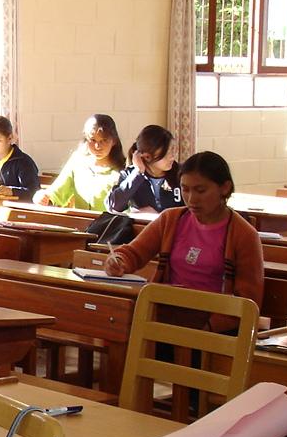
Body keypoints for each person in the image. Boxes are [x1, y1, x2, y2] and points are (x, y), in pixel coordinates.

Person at [104, 151, 264, 332]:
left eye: (200, 190)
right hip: (165, 315)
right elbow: (134, 252)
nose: (192, 199)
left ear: (225, 188)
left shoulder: (243, 234)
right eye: (185, 189)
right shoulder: (171, 219)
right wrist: (118, 261)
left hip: (213, 327)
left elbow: (247, 302)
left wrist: (208, 329)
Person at [36, 114, 126, 210]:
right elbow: (57, 192)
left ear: (114, 141)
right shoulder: (78, 161)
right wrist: (43, 197)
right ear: (86, 139)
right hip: (80, 223)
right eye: (92, 140)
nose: (97, 146)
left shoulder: (124, 169)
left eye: (104, 140)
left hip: (111, 224)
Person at [108, 124, 183, 214]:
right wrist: (138, 172)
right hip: (144, 227)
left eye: (173, 150)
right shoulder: (129, 175)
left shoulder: (181, 173)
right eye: (167, 153)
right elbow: (114, 206)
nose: (172, 157)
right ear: (147, 156)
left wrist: (159, 216)